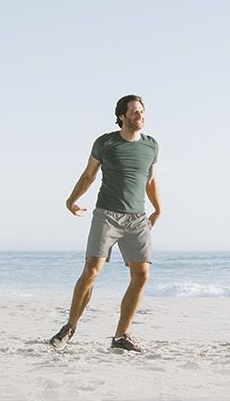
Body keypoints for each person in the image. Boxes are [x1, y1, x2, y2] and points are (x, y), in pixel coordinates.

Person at [47, 94, 162, 353]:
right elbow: (89, 175)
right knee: (91, 272)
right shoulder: (105, 142)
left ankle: (121, 335)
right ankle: (70, 327)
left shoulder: (151, 145)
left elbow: (151, 181)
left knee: (142, 275)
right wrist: (72, 200)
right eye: (133, 111)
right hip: (107, 215)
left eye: (142, 111)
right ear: (121, 115)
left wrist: (158, 209)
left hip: (137, 218)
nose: (139, 115)